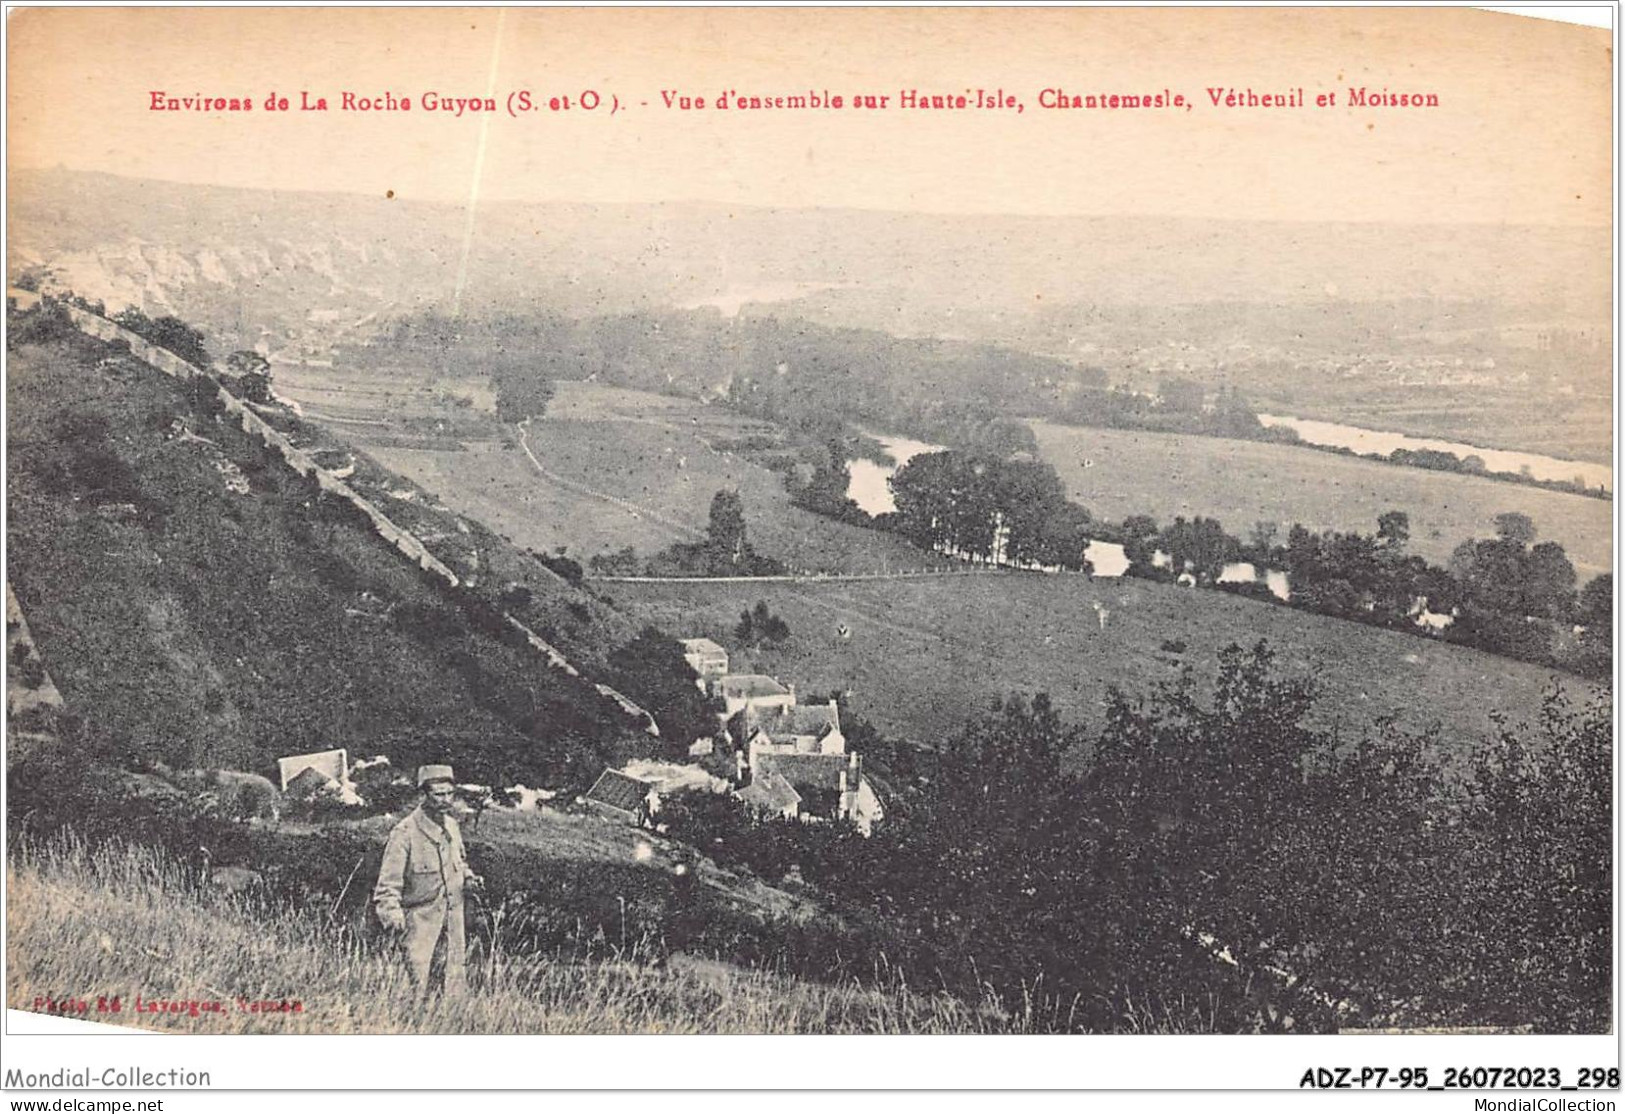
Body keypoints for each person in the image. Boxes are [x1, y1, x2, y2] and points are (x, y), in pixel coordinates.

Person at [372, 764, 481, 997]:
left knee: (451, 990)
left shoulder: (451, 826)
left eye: (449, 794)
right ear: (423, 795)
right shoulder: (404, 833)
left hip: (452, 925)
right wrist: (393, 921)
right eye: (438, 794)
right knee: (414, 992)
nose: (445, 800)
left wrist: (468, 878)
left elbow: (458, 863)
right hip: (419, 927)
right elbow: (387, 888)